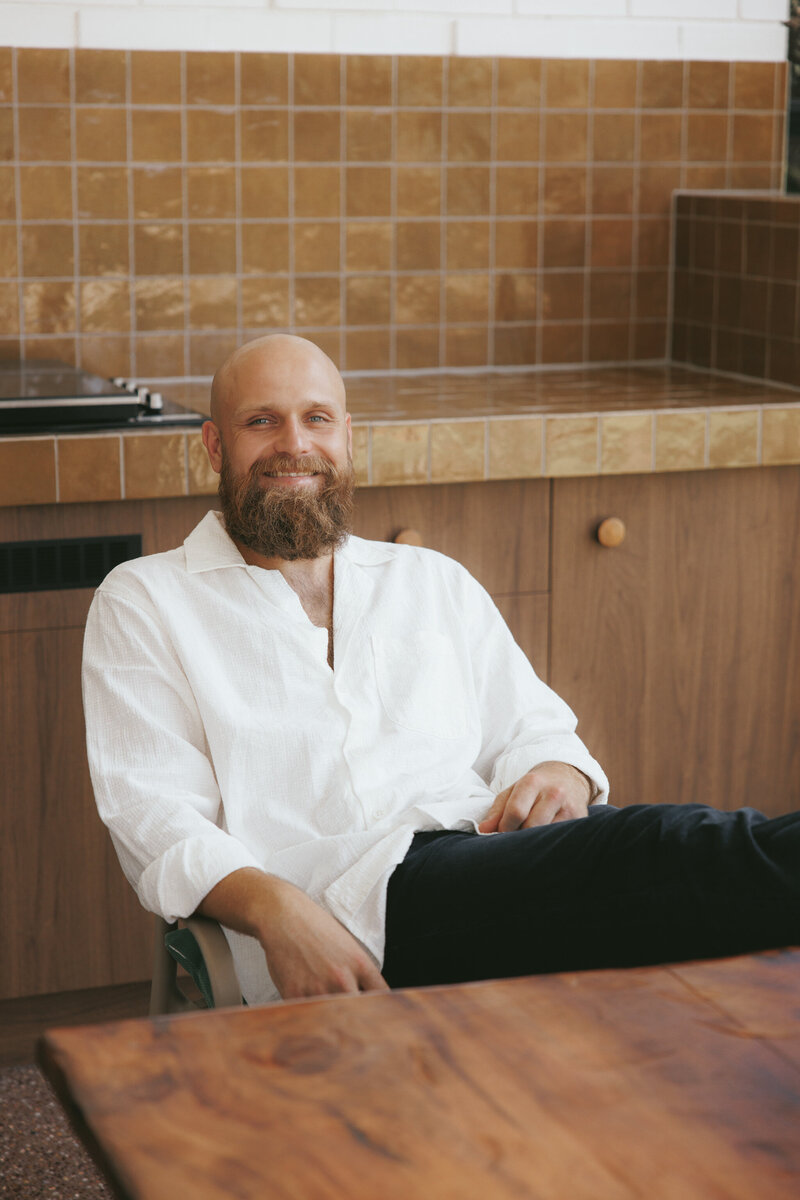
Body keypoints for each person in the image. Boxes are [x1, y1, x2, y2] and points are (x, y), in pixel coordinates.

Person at [82, 335, 799, 1005]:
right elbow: (157, 821)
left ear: (347, 437)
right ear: (215, 445)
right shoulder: (147, 600)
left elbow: (535, 729)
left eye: (317, 419)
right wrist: (278, 912)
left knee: (702, 921)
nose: (295, 444)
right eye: (262, 422)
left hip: (497, 860)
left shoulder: (428, 580)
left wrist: (559, 773)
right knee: (670, 858)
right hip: (344, 910)